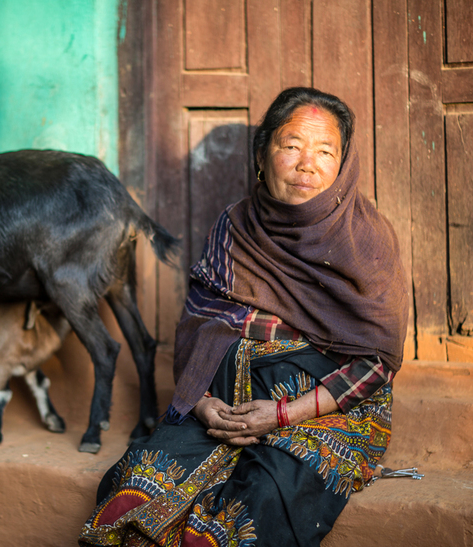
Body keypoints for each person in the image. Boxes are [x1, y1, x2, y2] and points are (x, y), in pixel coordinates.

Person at [78, 87, 409, 547]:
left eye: (324, 151)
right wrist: (198, 402)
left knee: (260, 501)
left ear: (343, 164)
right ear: (262, 152)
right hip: (221, 404)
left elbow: (376, 360)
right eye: (291, 146)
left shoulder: (367, 241)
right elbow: (197, 324)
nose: (306, 164)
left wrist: (282, 414)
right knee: (134, 485)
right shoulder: (234, 227)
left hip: (321, 411)